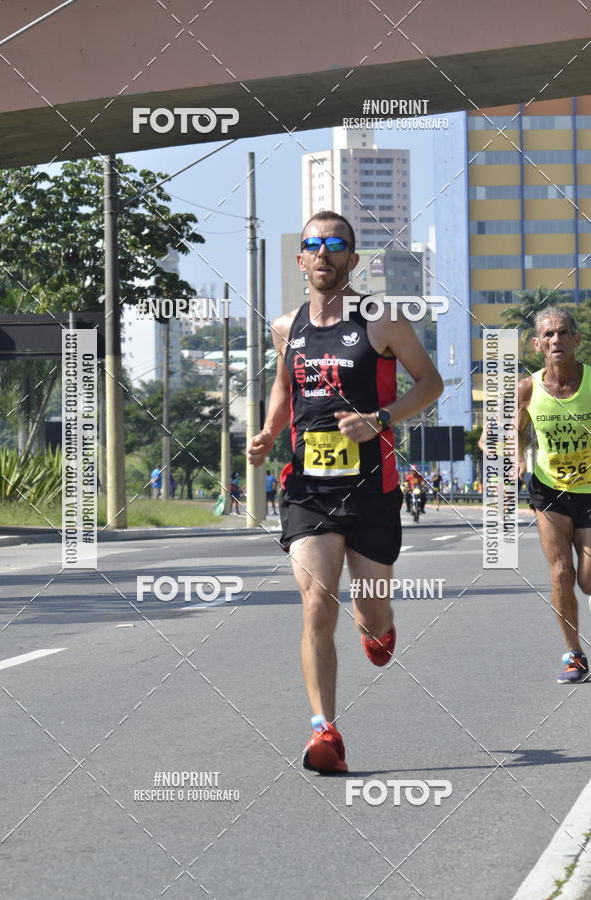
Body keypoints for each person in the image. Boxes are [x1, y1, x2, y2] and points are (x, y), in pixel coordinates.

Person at [247, 210, 443, 772]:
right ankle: (324, 733)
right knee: (315, 604)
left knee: (369, 617)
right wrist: (267, 432)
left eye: (336, 244)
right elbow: (286, 388)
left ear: (353, 260)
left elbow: (430, 383)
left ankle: (379, 629)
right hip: (308, 487)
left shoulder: (381, 319)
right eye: (314, 244)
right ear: (301, 258)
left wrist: (381, 418)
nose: (324, 253)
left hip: (372, 487)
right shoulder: (287, 328)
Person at [518, 306, 591, 684]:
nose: (556, 340)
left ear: (576, 339)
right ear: (537, 345)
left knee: (588, 580)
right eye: (547, 335)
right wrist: (514, 455)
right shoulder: (527, 389)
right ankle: (574, 654)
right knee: (561, 574)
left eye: (563, 333)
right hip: (548, 490)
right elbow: (511, 431)